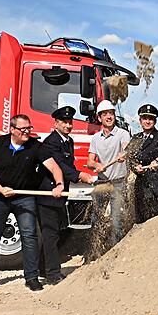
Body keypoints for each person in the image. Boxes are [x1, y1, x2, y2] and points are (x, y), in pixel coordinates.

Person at [0, 114, 50, 291]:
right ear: (12, 130)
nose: (27, 131)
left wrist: (58, 184)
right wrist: (0, 188)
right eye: (23, 129)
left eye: (29, 128)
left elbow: (52, 165)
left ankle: (32, 277)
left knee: (30, 236)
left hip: (24, 197)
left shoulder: (34, 146)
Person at [36, 106, 95, 285]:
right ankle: (53, 275)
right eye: (64, 122)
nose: (68, 125)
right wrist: (80, 176)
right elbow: (60, 166)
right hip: (48, 194)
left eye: (70, 122)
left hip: (60, 196)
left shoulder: (67, 141)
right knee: (51, 234)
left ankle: (43, 268)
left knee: (58, 233)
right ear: (56, 123)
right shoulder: (51, 142)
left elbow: (67, 165)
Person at [86, 99, 131, 248]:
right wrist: (96, 165)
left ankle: (115, 253)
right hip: (101, 182)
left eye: (111, 113)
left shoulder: (123, 134)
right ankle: (95, 250)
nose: (109, 117)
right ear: (99, 118)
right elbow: (89, 162)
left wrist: (123, 154)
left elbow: (126, 149)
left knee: (116, 219)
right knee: (96, 218)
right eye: (105, 114)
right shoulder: (95, 138)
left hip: (118, 183)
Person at [129, 104, 158, 223]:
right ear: (140, 120)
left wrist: (157, 160)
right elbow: (130, 158)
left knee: (155, 221)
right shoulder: (136, 138)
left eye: (150, 119)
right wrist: (135, 166)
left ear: (155, 121)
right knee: (140, 220)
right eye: (145, 118)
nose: (147, 121)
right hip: (141, 184)